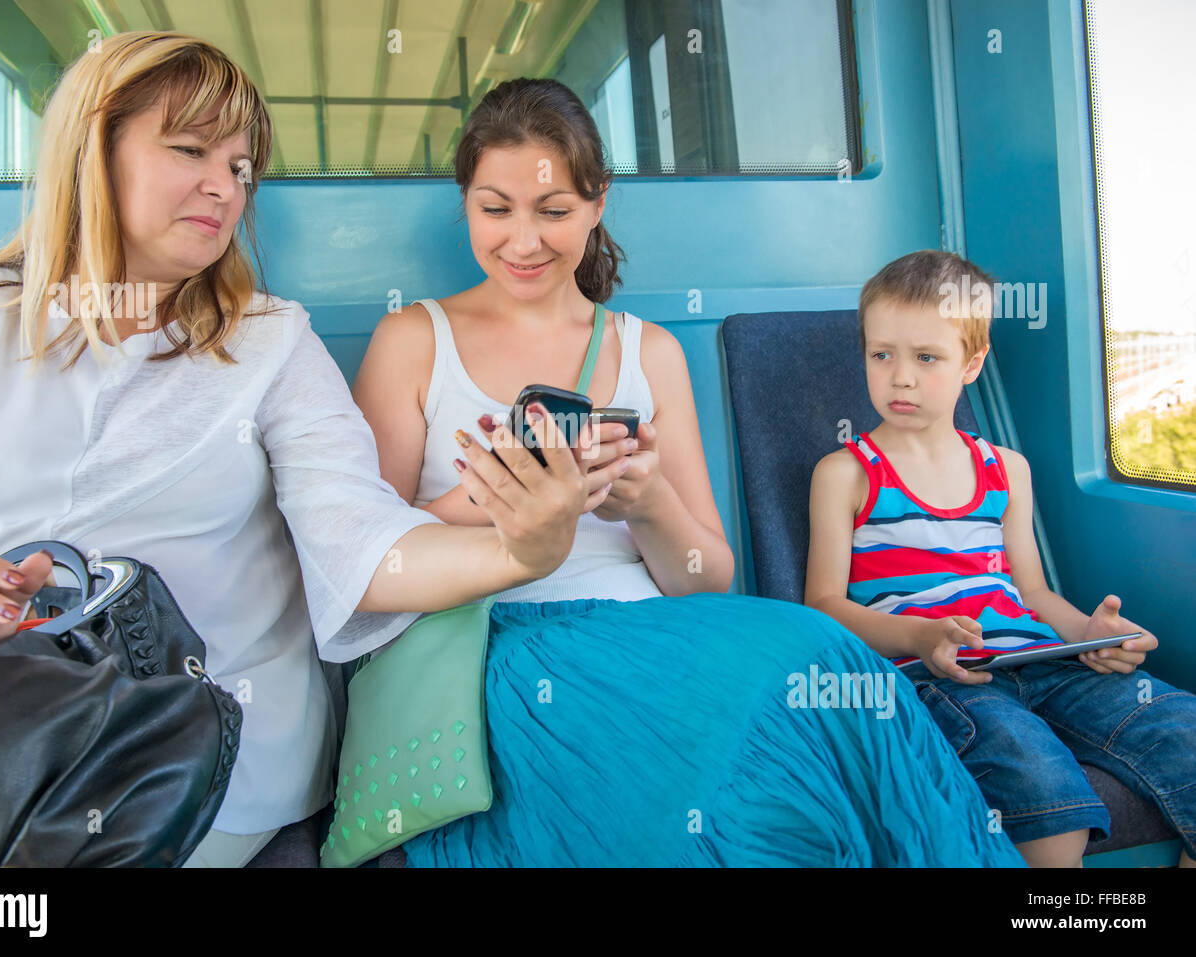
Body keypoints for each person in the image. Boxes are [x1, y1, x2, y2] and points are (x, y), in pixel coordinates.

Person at [0, 32, 591, 868]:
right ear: (91, 148)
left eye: (240, 166)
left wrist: (525, 547)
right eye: (191, 150)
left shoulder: (269, 342)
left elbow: (363, 548)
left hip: (204, 776)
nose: (224, 186)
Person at [352, 78, 1025, 866]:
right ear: (465, 202)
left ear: (598, 203)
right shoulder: (412, 340)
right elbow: (364, 566)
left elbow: (709, 576)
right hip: (496, 643)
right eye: (495, 209)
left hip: (662, 627)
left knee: (825, 659)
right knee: (737, 785)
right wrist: (492, 500)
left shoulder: (651, 352)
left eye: (554, 210)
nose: (523, 240)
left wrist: (649, 501)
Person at [804, 248, 1196, 867]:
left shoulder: (1005, 470)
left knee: (1184, 732)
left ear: (972, 363)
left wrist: (1088, 634)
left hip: (1046, 659)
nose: (899, 377)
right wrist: (921, 633)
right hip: (946, 677)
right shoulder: (846, 472)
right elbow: (823, 606)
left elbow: (1034, 594)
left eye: (926, 358)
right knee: (1044, 794)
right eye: (882, 355)